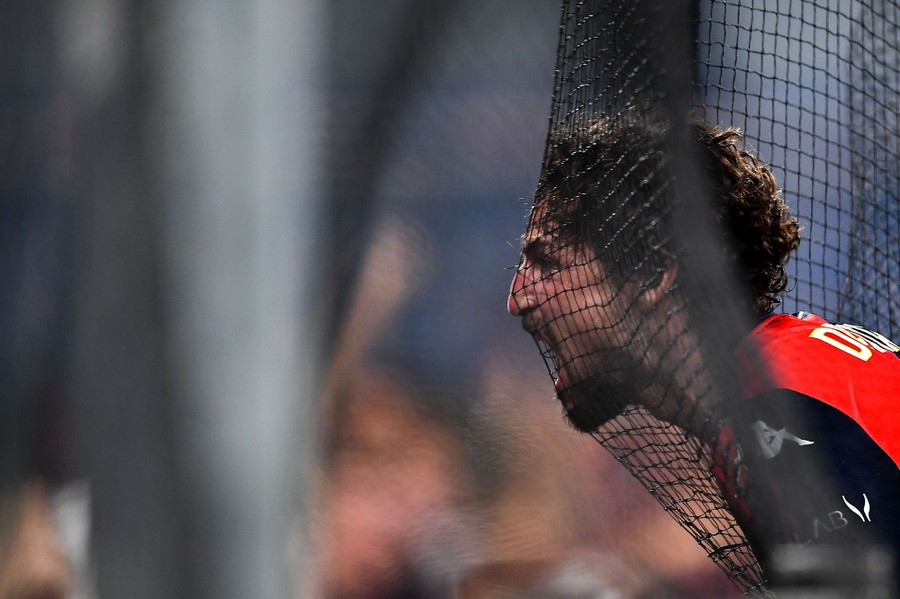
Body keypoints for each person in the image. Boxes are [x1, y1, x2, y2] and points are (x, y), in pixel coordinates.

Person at [506, 115, 900, 588]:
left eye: (546, 261)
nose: (518, 298)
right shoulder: (773, 385)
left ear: (654, 275)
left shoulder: (779, 407)